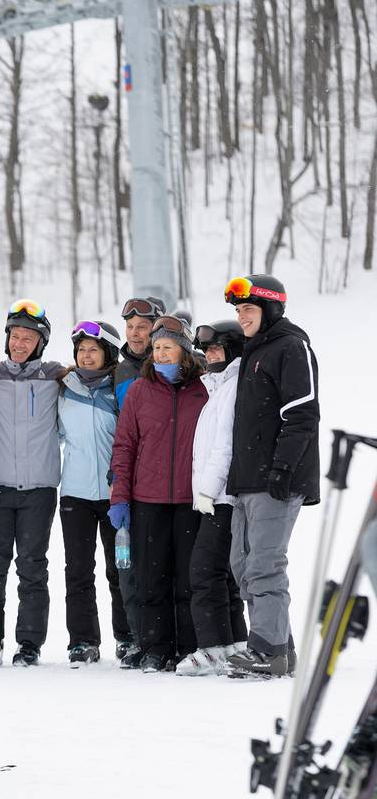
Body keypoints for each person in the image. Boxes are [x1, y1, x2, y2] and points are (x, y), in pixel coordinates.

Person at [224, 274, 320, 678]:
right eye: (240, 310)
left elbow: (301, 414)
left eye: (249, 309)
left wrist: (282, 467)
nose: (243, 317)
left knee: (264, 564)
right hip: (247, 478)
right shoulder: (254, 351)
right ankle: (279, 644)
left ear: (271, 309)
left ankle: (267, 653)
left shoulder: (290, 347)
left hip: (276, 480)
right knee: (242, 564)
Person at [108, 315, 208, 672]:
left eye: (169, 347)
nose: (162, 354)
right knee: (150, 579)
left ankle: (186, 647)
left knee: (187, 579)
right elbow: (124, 446)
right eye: (158, 348)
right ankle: (155, 647)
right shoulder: (139, 390)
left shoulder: (204, 388)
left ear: (184, 351)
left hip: (190, 500)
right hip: (146, 499)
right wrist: (120, 496)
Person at [0, 299, 63, 667]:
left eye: (28, 338)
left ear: (40, 343)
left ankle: (29, 643)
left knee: (32, 567)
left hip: (39, 489)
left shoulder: (57, 377)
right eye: (15, 336)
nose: (20, 343)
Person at [176, 320, 248, 676]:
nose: (210, 356)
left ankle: (212, 648)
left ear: (233, 350)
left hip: (220, 496)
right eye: (207, 351)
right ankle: (235, 643)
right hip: (217, 495)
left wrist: (207, 489)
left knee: (204, 572)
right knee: (221, 573)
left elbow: (225, 447)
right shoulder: (220, 387)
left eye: (217, 349)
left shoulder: (232, 388)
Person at [58, 320, 131, 667]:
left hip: (114, 494)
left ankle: (128, 636)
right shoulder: (64, 387)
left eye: (93, 350)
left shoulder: (119, 388)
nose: (86, 356)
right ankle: (83, 641)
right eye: (81, 350)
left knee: (120, 569)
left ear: (108, 354)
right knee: (78, 571)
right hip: (74, 493)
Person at [113, 295, 165, 668]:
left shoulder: (172, 365)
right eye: (130, 327)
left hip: (166, 480)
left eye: (142, 327)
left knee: (163, 565)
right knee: (127, 566)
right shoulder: (118, 372)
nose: (135, 333)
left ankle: (165, 637)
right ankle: (135, 637)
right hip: (126, 478)